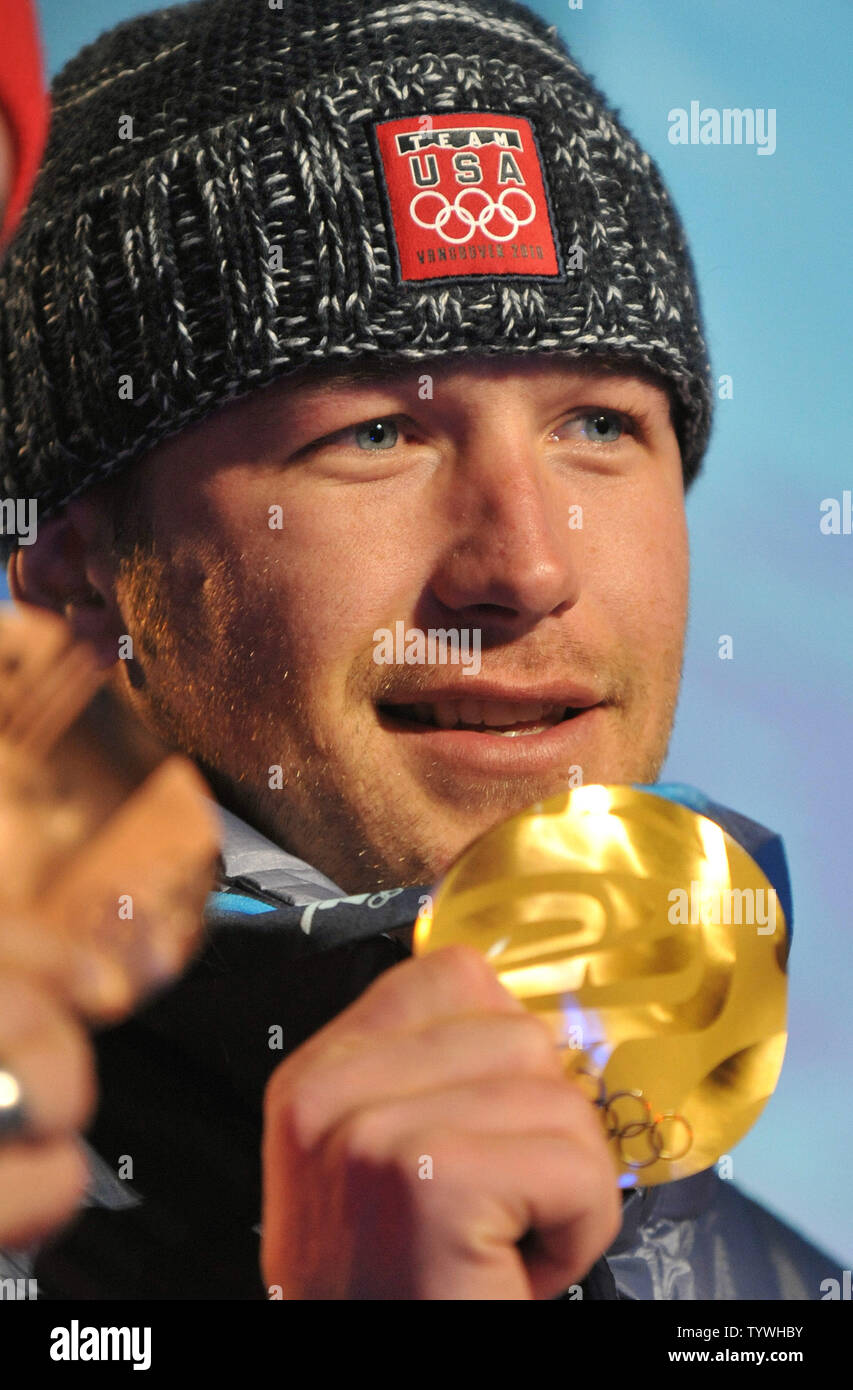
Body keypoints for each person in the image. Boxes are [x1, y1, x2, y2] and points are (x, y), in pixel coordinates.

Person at [0, 0, 841, 1299]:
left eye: (598, 426)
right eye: (376, 434)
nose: (525, 566)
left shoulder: (768, 1289)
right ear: (75, 562)